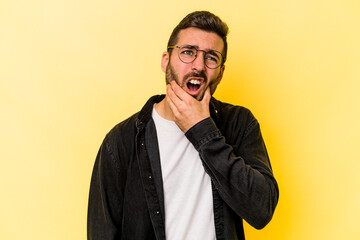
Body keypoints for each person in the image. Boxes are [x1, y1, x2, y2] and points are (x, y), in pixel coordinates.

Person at [87, 10, 279, 240]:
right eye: (188, 52)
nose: (198, 65)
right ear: (165, 61)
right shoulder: (120, 141)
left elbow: (261, 210)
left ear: (220, 73)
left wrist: (202, 130)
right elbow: (102, 233)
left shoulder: (239, 124)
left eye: (211, 57)